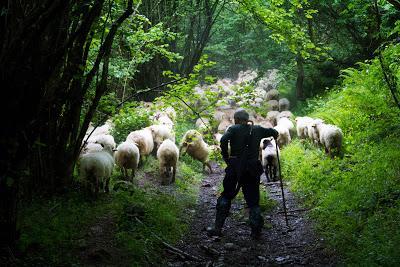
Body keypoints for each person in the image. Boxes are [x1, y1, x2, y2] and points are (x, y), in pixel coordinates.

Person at [206, 108, 279, 239]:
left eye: (235, 119)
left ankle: (217, 228)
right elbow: (275, 132)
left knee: (226, 195)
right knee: (253, 201)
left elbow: (223, 140)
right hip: (252, 168)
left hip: (235, 167)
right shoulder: (257, 129)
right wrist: (274, 135)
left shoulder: (233, 129)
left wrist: (226, 157)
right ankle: (256, 232)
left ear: (238, 119)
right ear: (247, 119)